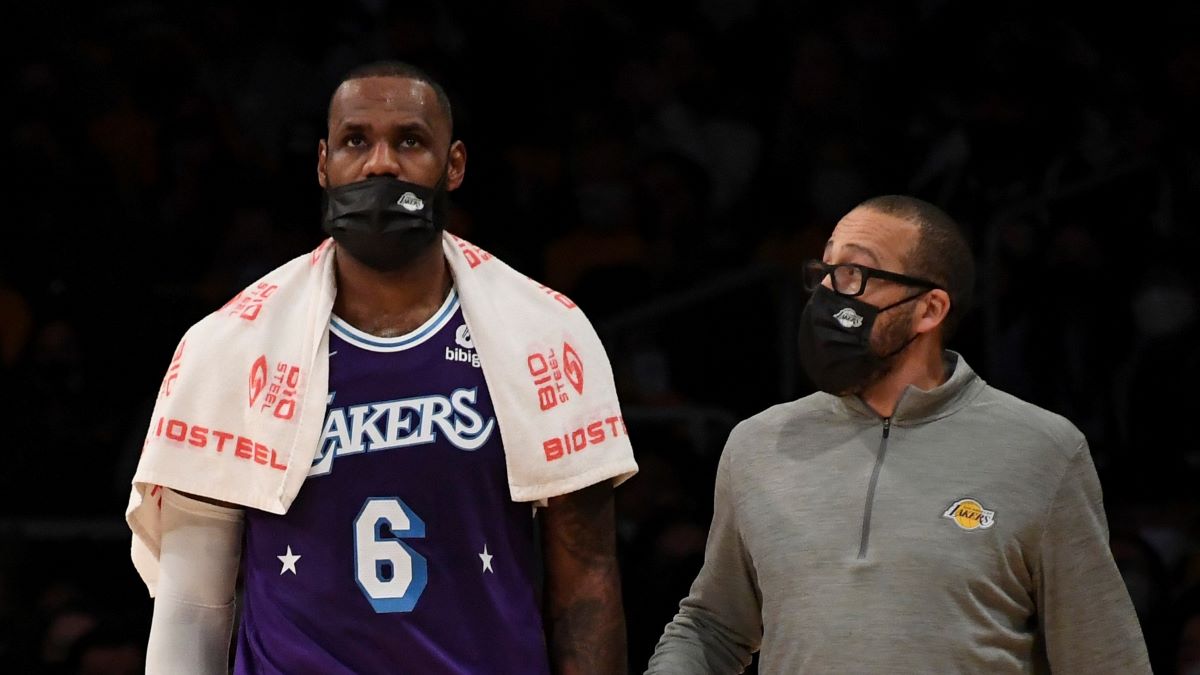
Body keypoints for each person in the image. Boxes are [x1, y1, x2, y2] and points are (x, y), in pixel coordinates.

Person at [127, 60, 638, 674]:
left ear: (454, 165)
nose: (381, 164)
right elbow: (191, 604)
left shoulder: (547, 333)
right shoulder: (230, 345)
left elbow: (586, 585)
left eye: (411, 141)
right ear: (323, 164)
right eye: (355, 141)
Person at [645, 195, 1151, 673]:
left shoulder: (1044, 450)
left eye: (853, 274)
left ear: (929, 309)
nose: (826, 294)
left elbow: (1102, 657)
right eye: (824, 272)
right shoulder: (758, 444)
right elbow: (713, 627)